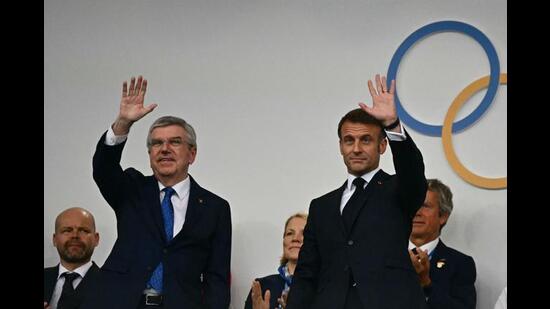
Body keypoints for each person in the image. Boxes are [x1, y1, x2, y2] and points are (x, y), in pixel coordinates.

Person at [83, 76, 232, 309]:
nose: (164, 149)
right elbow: (103, 170)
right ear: (150, 154)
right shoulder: (131, 190)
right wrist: (123, 124)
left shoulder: (215, 208)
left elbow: (217, 277)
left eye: (174, 142)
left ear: (192, 154)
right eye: (156, 143)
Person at [286, 74, 428, 309]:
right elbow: (306, 274)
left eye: (366, 140)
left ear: (382, 145)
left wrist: (392, 125)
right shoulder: (321, 206)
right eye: (349, 140)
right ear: (340, 146)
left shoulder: (398, 190)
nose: (357, 149)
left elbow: (413, 173)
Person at [408, 179, 476, 309]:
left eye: (425, 206)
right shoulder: (384, 255)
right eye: (413, 205)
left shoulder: (461, 264)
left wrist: (426, 284)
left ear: (443, 216)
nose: (417, 212)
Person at [245, 213, 308, 309]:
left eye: (304, 233)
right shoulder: (262, 287)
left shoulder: (322, 288)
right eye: (289, 233)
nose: (295, 239)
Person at [44, 207, 100, 309]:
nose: (75, 236)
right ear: (55, 239)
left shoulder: (113, 285)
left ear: (96, 239)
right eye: (67, 230)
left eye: (83, 230)